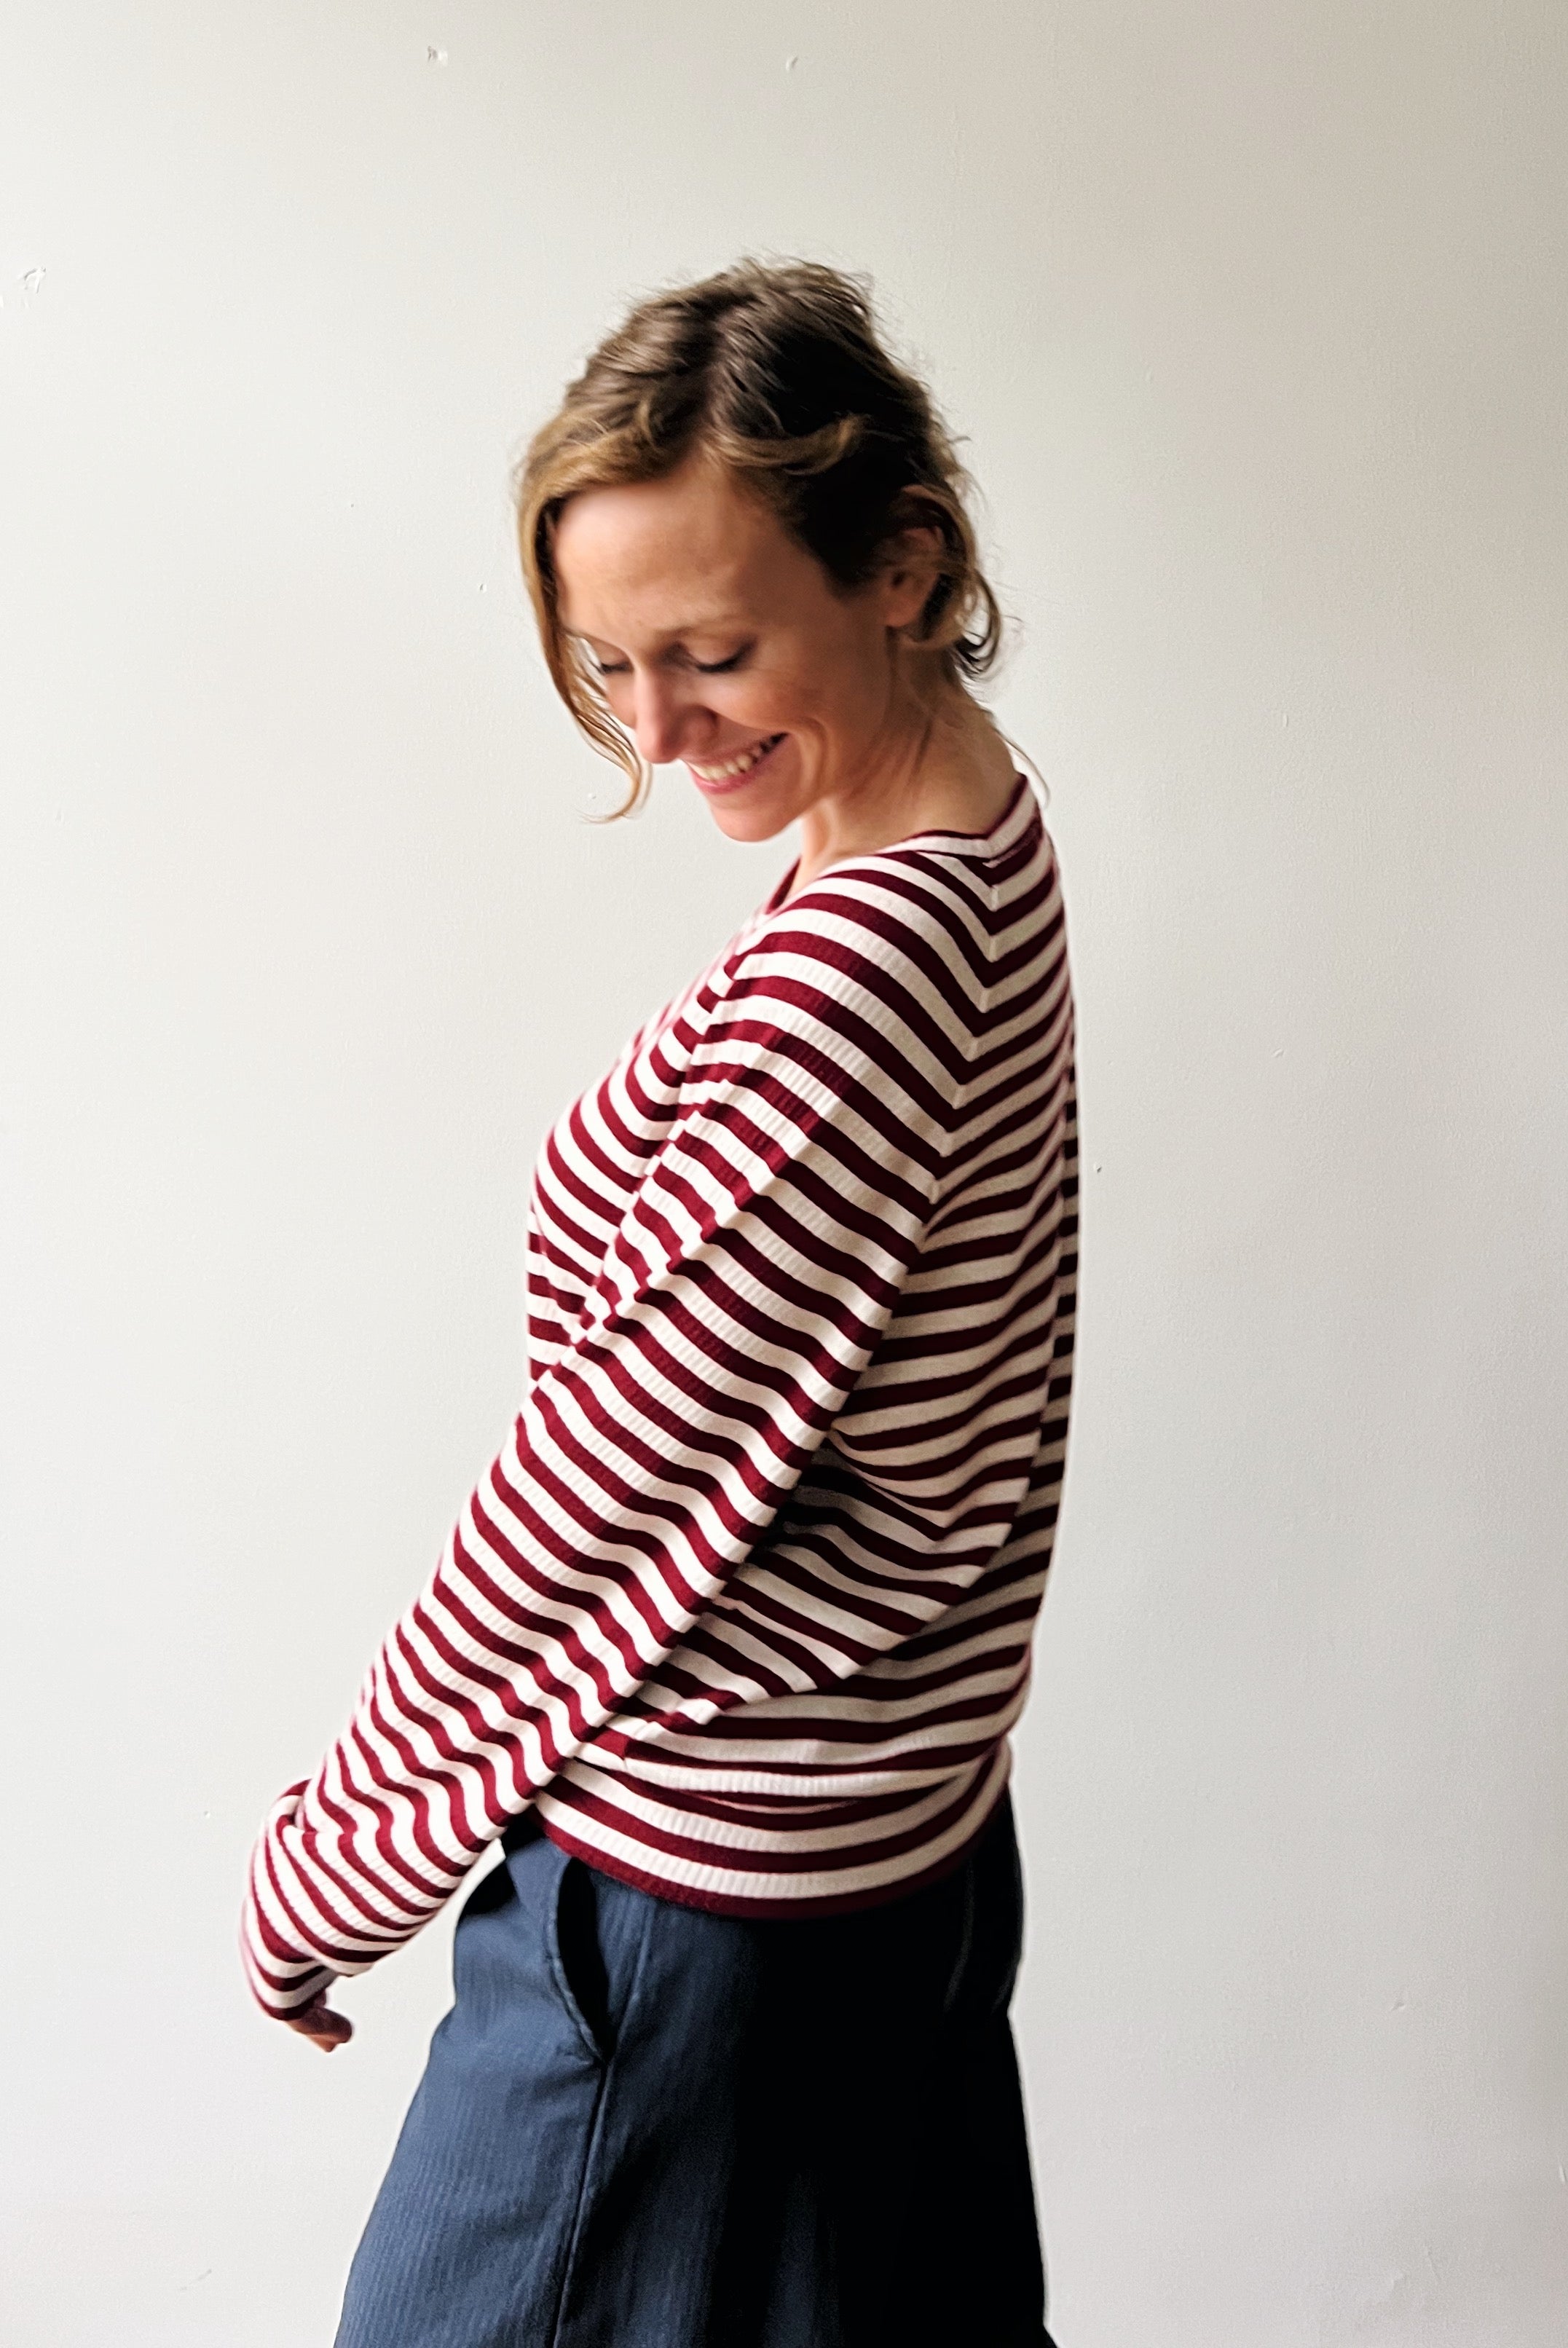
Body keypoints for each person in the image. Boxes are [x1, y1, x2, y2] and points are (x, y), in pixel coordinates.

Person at [243, 258, 1077, 2348]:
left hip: (695, 1911)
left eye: (711, 652)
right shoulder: (957, 810)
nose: (657, 729)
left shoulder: (854, 984)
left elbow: (591, 1510)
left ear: (903, 564)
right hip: (889, 1850)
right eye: (607, 662)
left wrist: (322, 1878)